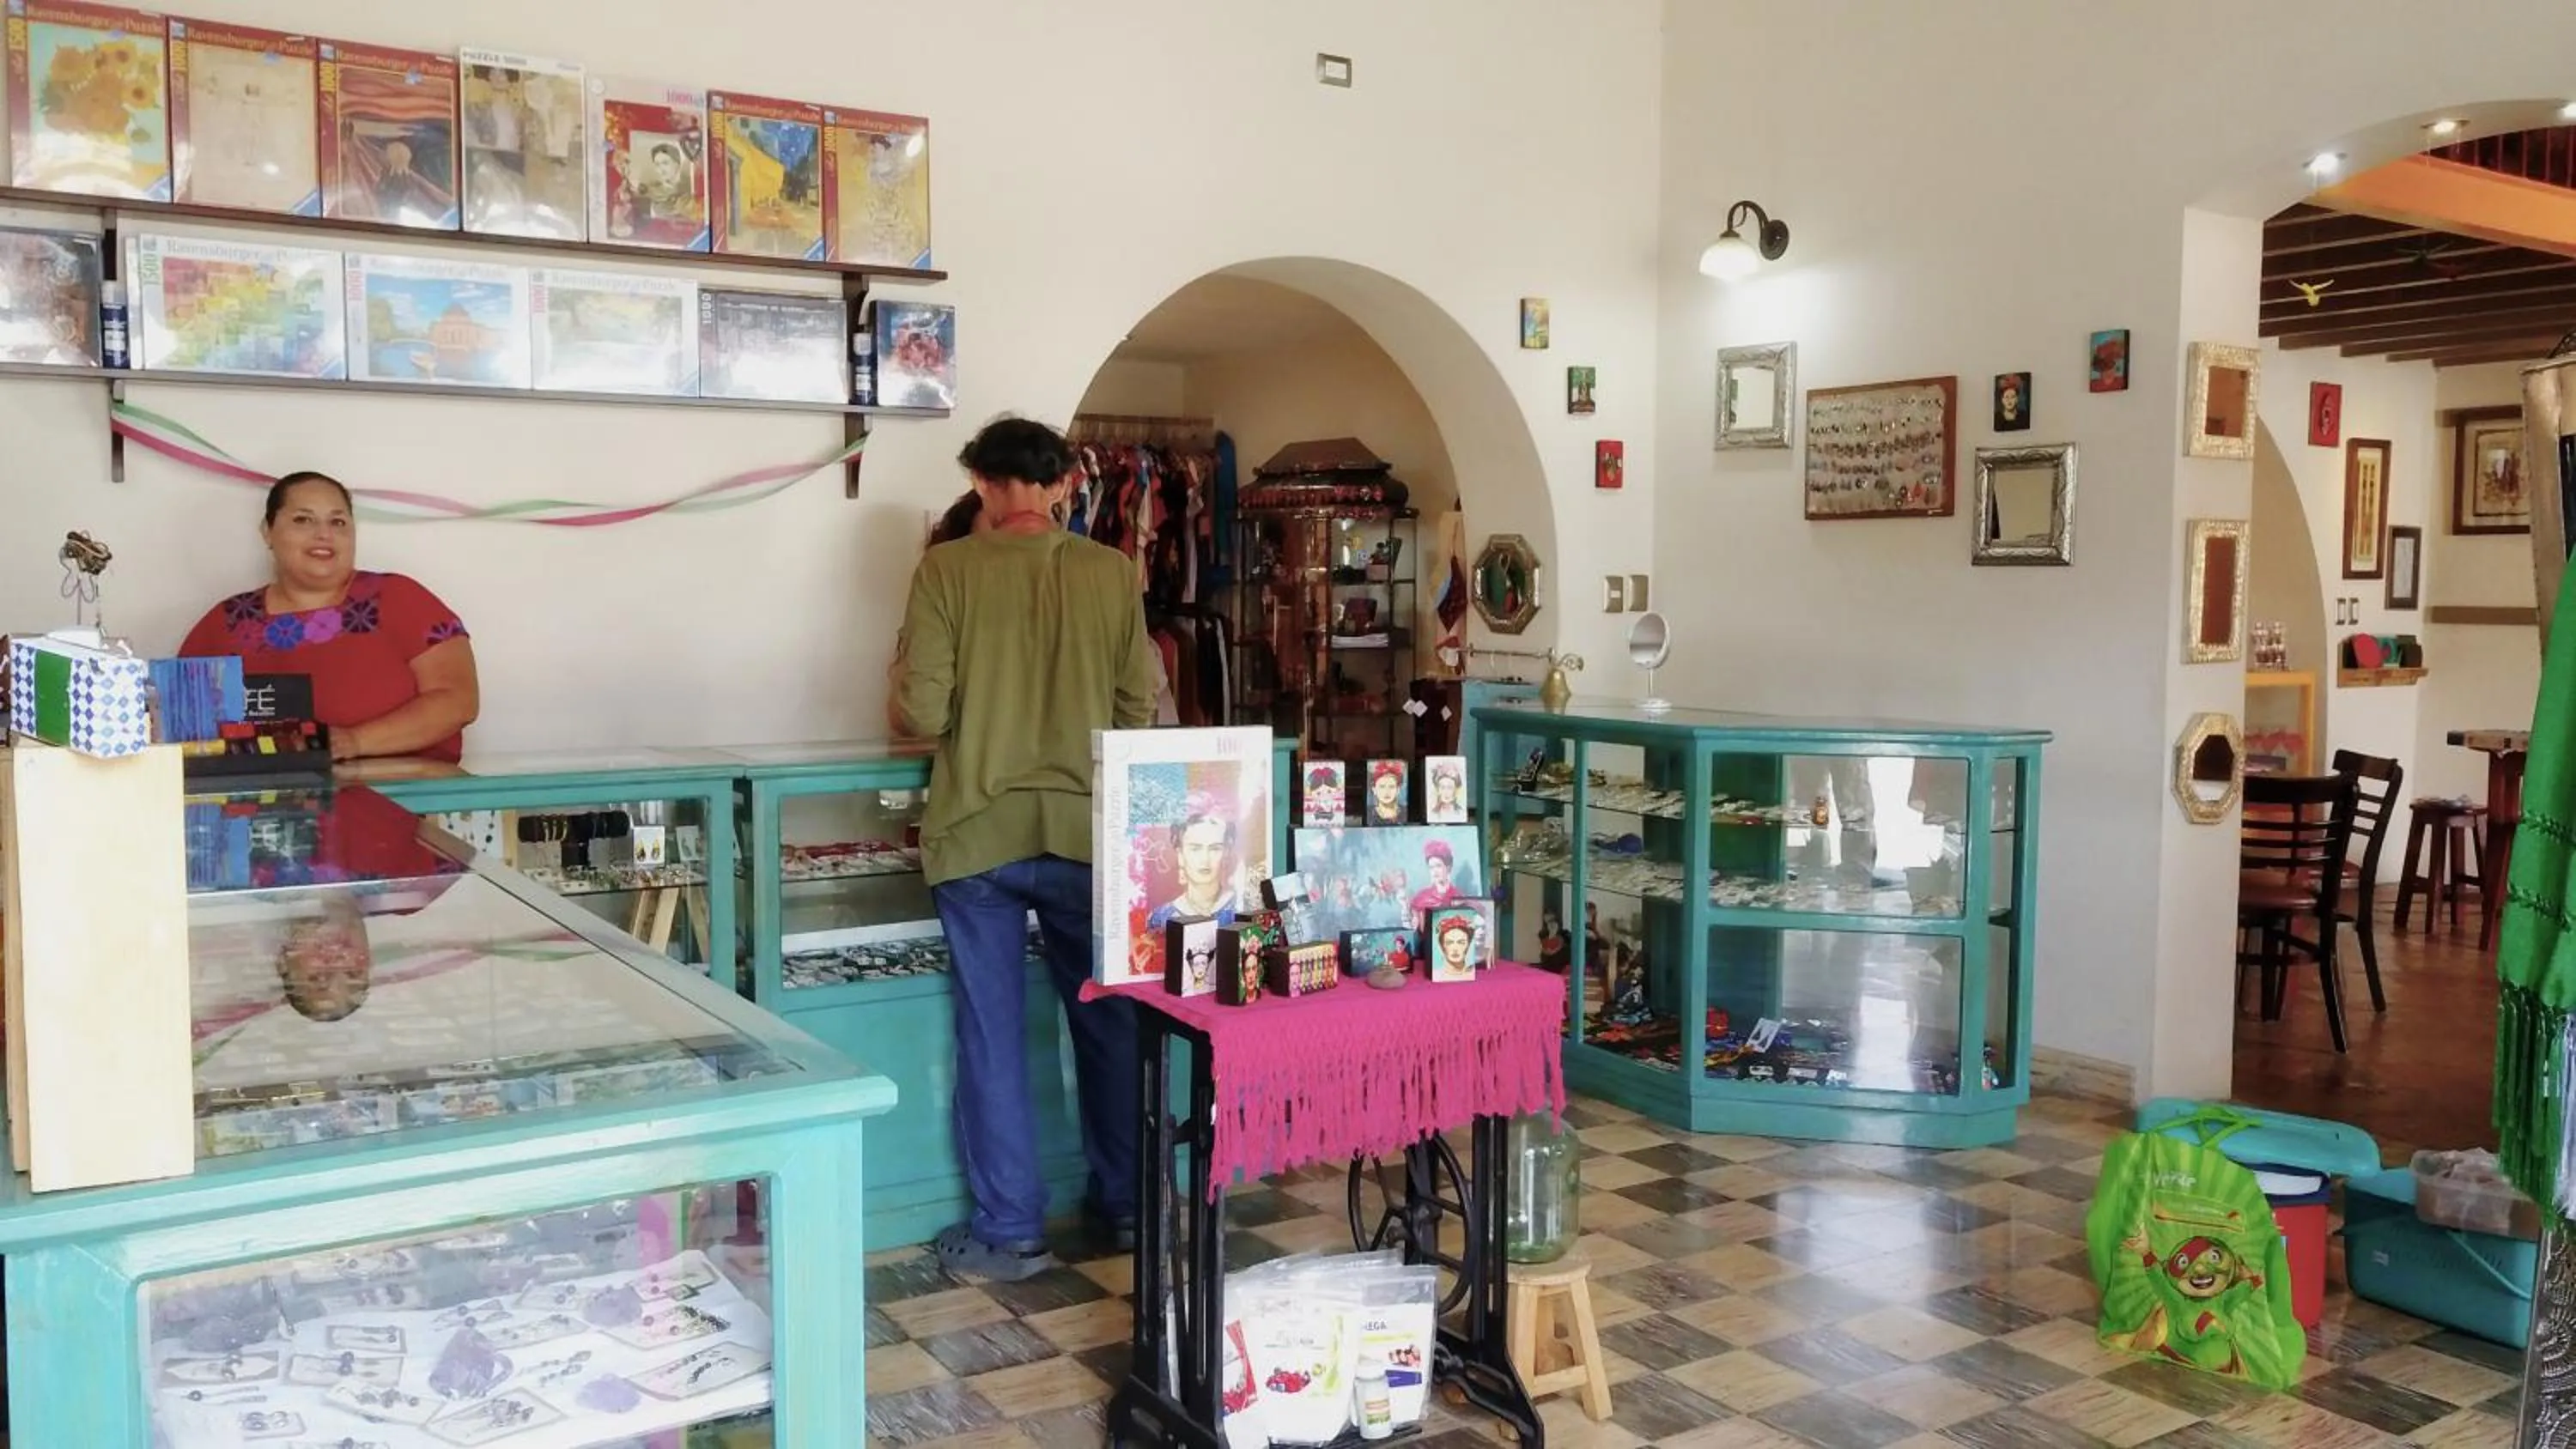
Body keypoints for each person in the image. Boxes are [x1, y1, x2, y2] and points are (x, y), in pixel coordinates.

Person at [891, 416, 1159, 1282]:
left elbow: (921, 714)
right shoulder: (1112, 573)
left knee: (992, 1032)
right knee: (1110, 1025)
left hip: (978, 836)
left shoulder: (947, 570)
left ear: (980, 480)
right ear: (1063, 484)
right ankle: (1127, 1206)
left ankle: (1010, 1230)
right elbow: (1137, 710)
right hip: (1088, 834)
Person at [179, 472, 478, 763]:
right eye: (303, 520)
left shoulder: (399, 598)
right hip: (265, 795)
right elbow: (181, 721)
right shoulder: (227, 622)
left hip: (407, 791)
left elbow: (458, 702)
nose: (324, 534)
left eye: (338, 522)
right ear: (267, 531)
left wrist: (354, 741)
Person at [1409, 838, 1466, 913]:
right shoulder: (1420, 898)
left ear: (1448, 867)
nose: (1435, 871)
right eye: (1431, 867)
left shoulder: (1458, 897)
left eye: (1438, 866)